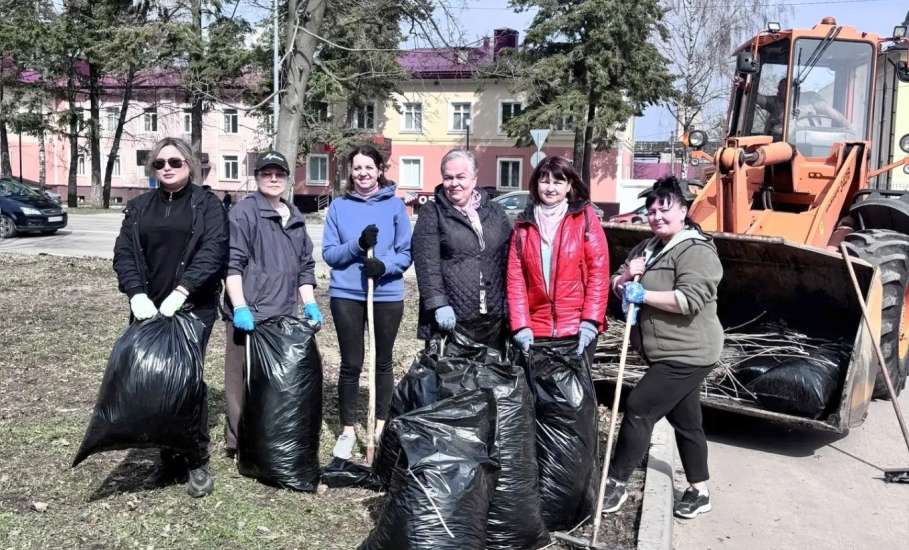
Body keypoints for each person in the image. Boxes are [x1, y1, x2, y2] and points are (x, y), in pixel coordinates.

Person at [112, 136, 228, 498]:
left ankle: (195, 460)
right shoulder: (140, 206)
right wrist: (136, 294)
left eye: (175, 162)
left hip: (194, 308)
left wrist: (184, 290)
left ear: (189, 165)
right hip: (148, 308)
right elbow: (124, 253)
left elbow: (215, 250)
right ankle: (168, 458)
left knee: (186, 381)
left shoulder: (207, 204)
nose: (166, 168)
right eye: (159, 163)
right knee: (155, 380)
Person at [602, 176, 723, 520]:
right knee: (686, 421)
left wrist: (644, 295)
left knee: (639, 407)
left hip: (689, 353)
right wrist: (625, 280)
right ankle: (699, 491)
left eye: (664, 209)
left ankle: (615, 483)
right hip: (661, 351)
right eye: (651, 210)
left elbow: (689, 300)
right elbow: (616, 282)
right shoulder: (646, 249)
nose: (655, 216)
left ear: (684, 211)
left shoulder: (697, 251)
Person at [221, 151, 322, 458]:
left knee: (273, 380)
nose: (273, 179)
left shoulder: (295, 218)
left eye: (279, 174)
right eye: (267, 173)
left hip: (282, 315)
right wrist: (239, 306)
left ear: (287, 179)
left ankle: (268, 434)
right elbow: (232, 265)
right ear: (257, 177)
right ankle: (238, 441)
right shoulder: (244, 213)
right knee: (240, 378)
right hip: (249, 313)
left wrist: (310, 305)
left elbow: (305, 268)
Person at [322, 145, 412, 459]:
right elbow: (330, 254)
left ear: (379, 169)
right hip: (347, 294)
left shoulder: (395, 207)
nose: (363, 173)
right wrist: (358, 246)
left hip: (386, 293)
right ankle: (347, 430)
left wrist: (384, 266)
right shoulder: (339, 207)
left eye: (368, 167)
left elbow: (406, 253)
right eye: (357, 168)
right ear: (351, 171)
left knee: (382, 362)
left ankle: (379, 427)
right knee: (351, 363)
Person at [506, 155, 610, 359]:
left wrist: (591, 321)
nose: (550, 188)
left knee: (575, 391)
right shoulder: (523, 225)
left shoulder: (584, 217)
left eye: (558, 181)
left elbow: (599, 272)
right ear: (536, 184)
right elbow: (515, 281)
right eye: (545, 181)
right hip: (537, 332)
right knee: (539, 391)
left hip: (577, 328)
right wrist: (521, 326)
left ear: (569, 185)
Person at [411, 149, 512, 348]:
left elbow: (509, 259)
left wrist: (511, 303)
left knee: (490, 376)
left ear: (474, 179)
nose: (454, 183)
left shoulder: (496, 213)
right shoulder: (432, 212)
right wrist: (438, 303)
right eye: (448, 178)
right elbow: (426, 262)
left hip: (492, 315)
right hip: (450, 318)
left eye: (460, 177)